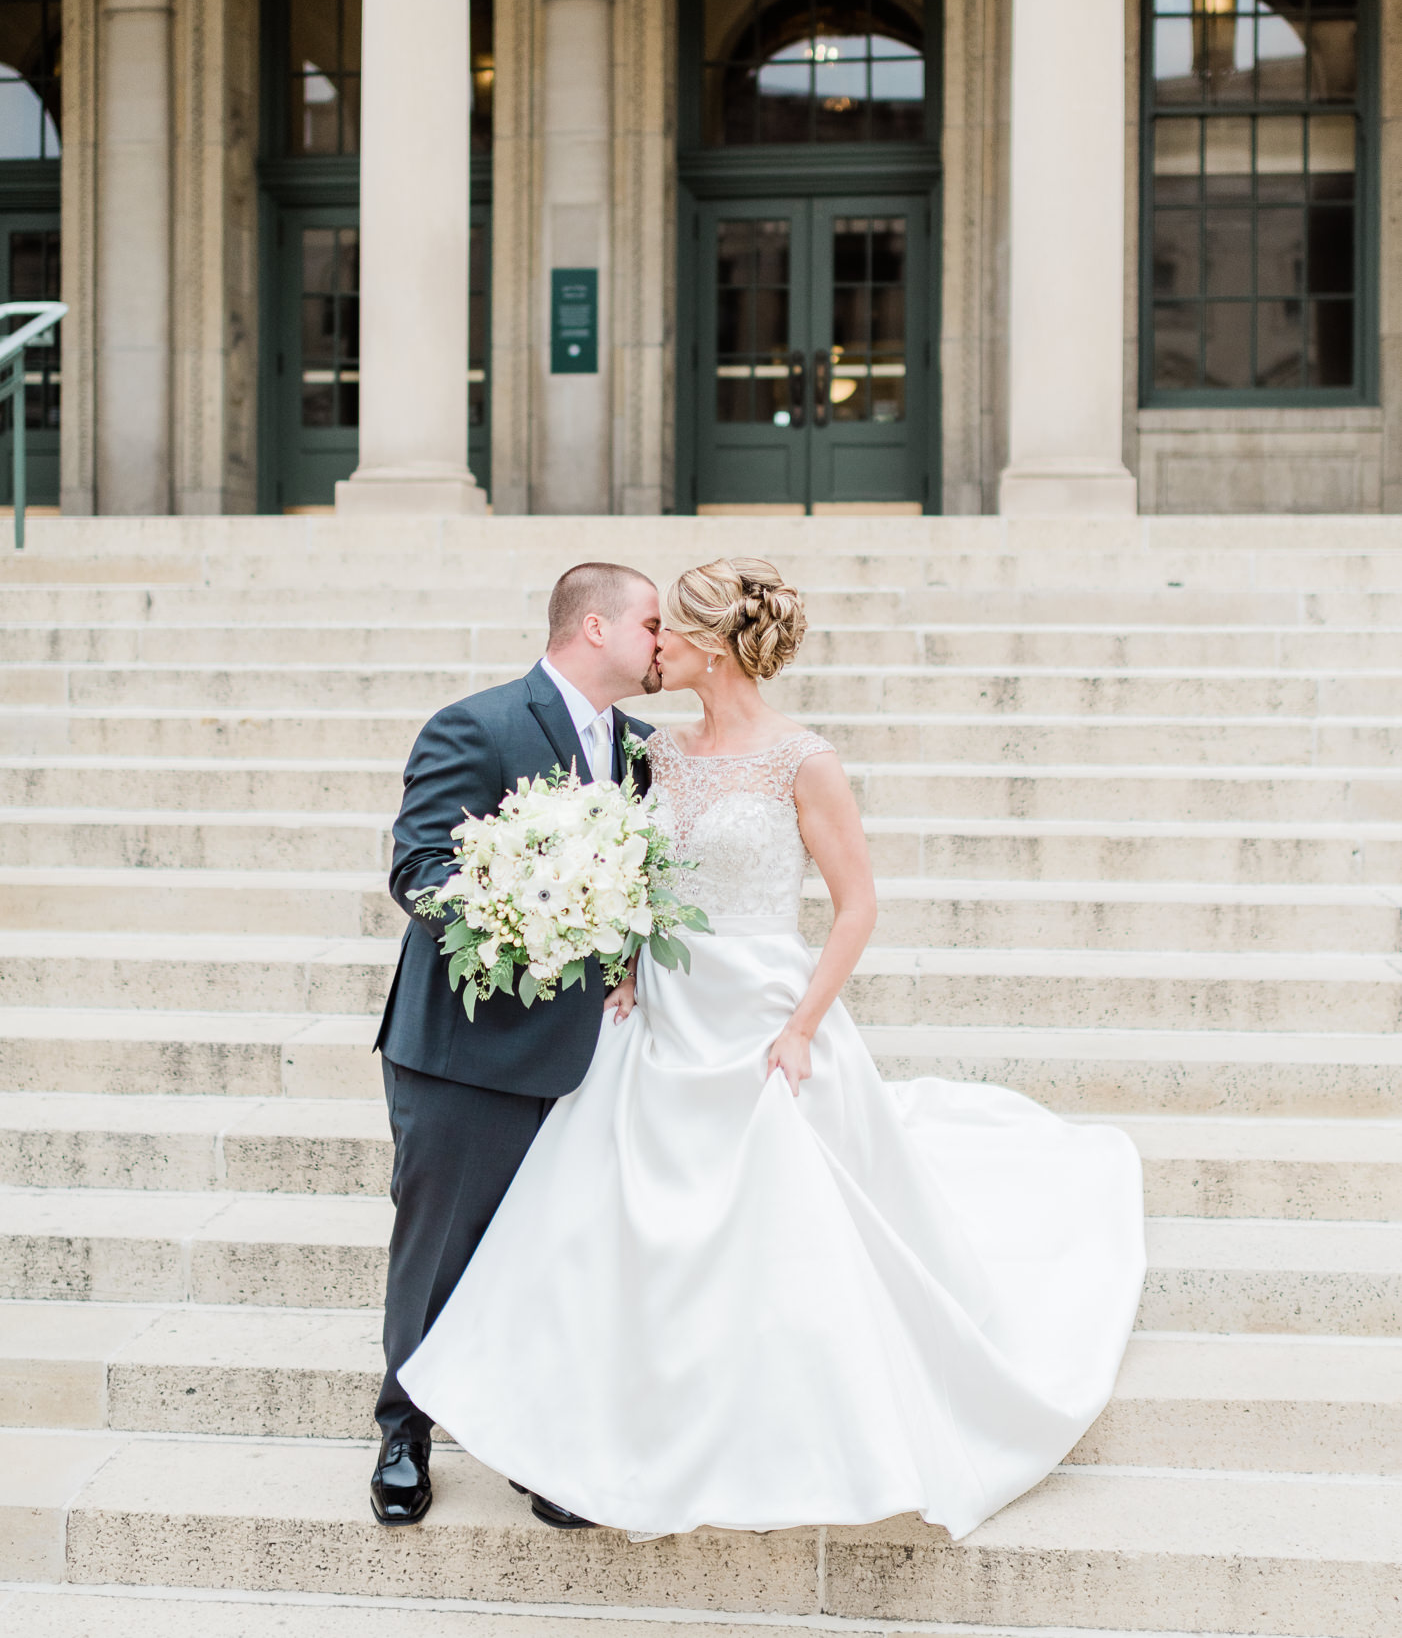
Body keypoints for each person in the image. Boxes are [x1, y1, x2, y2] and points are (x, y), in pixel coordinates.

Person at [399, 557, 1147, 1542]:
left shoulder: (803, 760)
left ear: (703, 645)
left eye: (666, 629)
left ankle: (786, 1428)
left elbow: (858, 905)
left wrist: (799, 1029)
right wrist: (622, 958)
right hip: (662, 1012)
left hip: (763, 1013)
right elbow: (626, 870)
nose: (652, 642)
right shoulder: (654, 754)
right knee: (620, 1223)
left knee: (780, 1221)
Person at [370, 561, 663, 1529]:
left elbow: (639, 887)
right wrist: (523, 916)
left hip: (582, 1056)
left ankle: (537, 1446)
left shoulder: (643, 751)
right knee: (439, 1244)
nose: (663, 645)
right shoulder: (478, 725)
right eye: (651, 626)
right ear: (593, 627)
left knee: (550, 1253)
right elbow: (418, 868)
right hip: (465, 1045)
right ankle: (404, 1431)